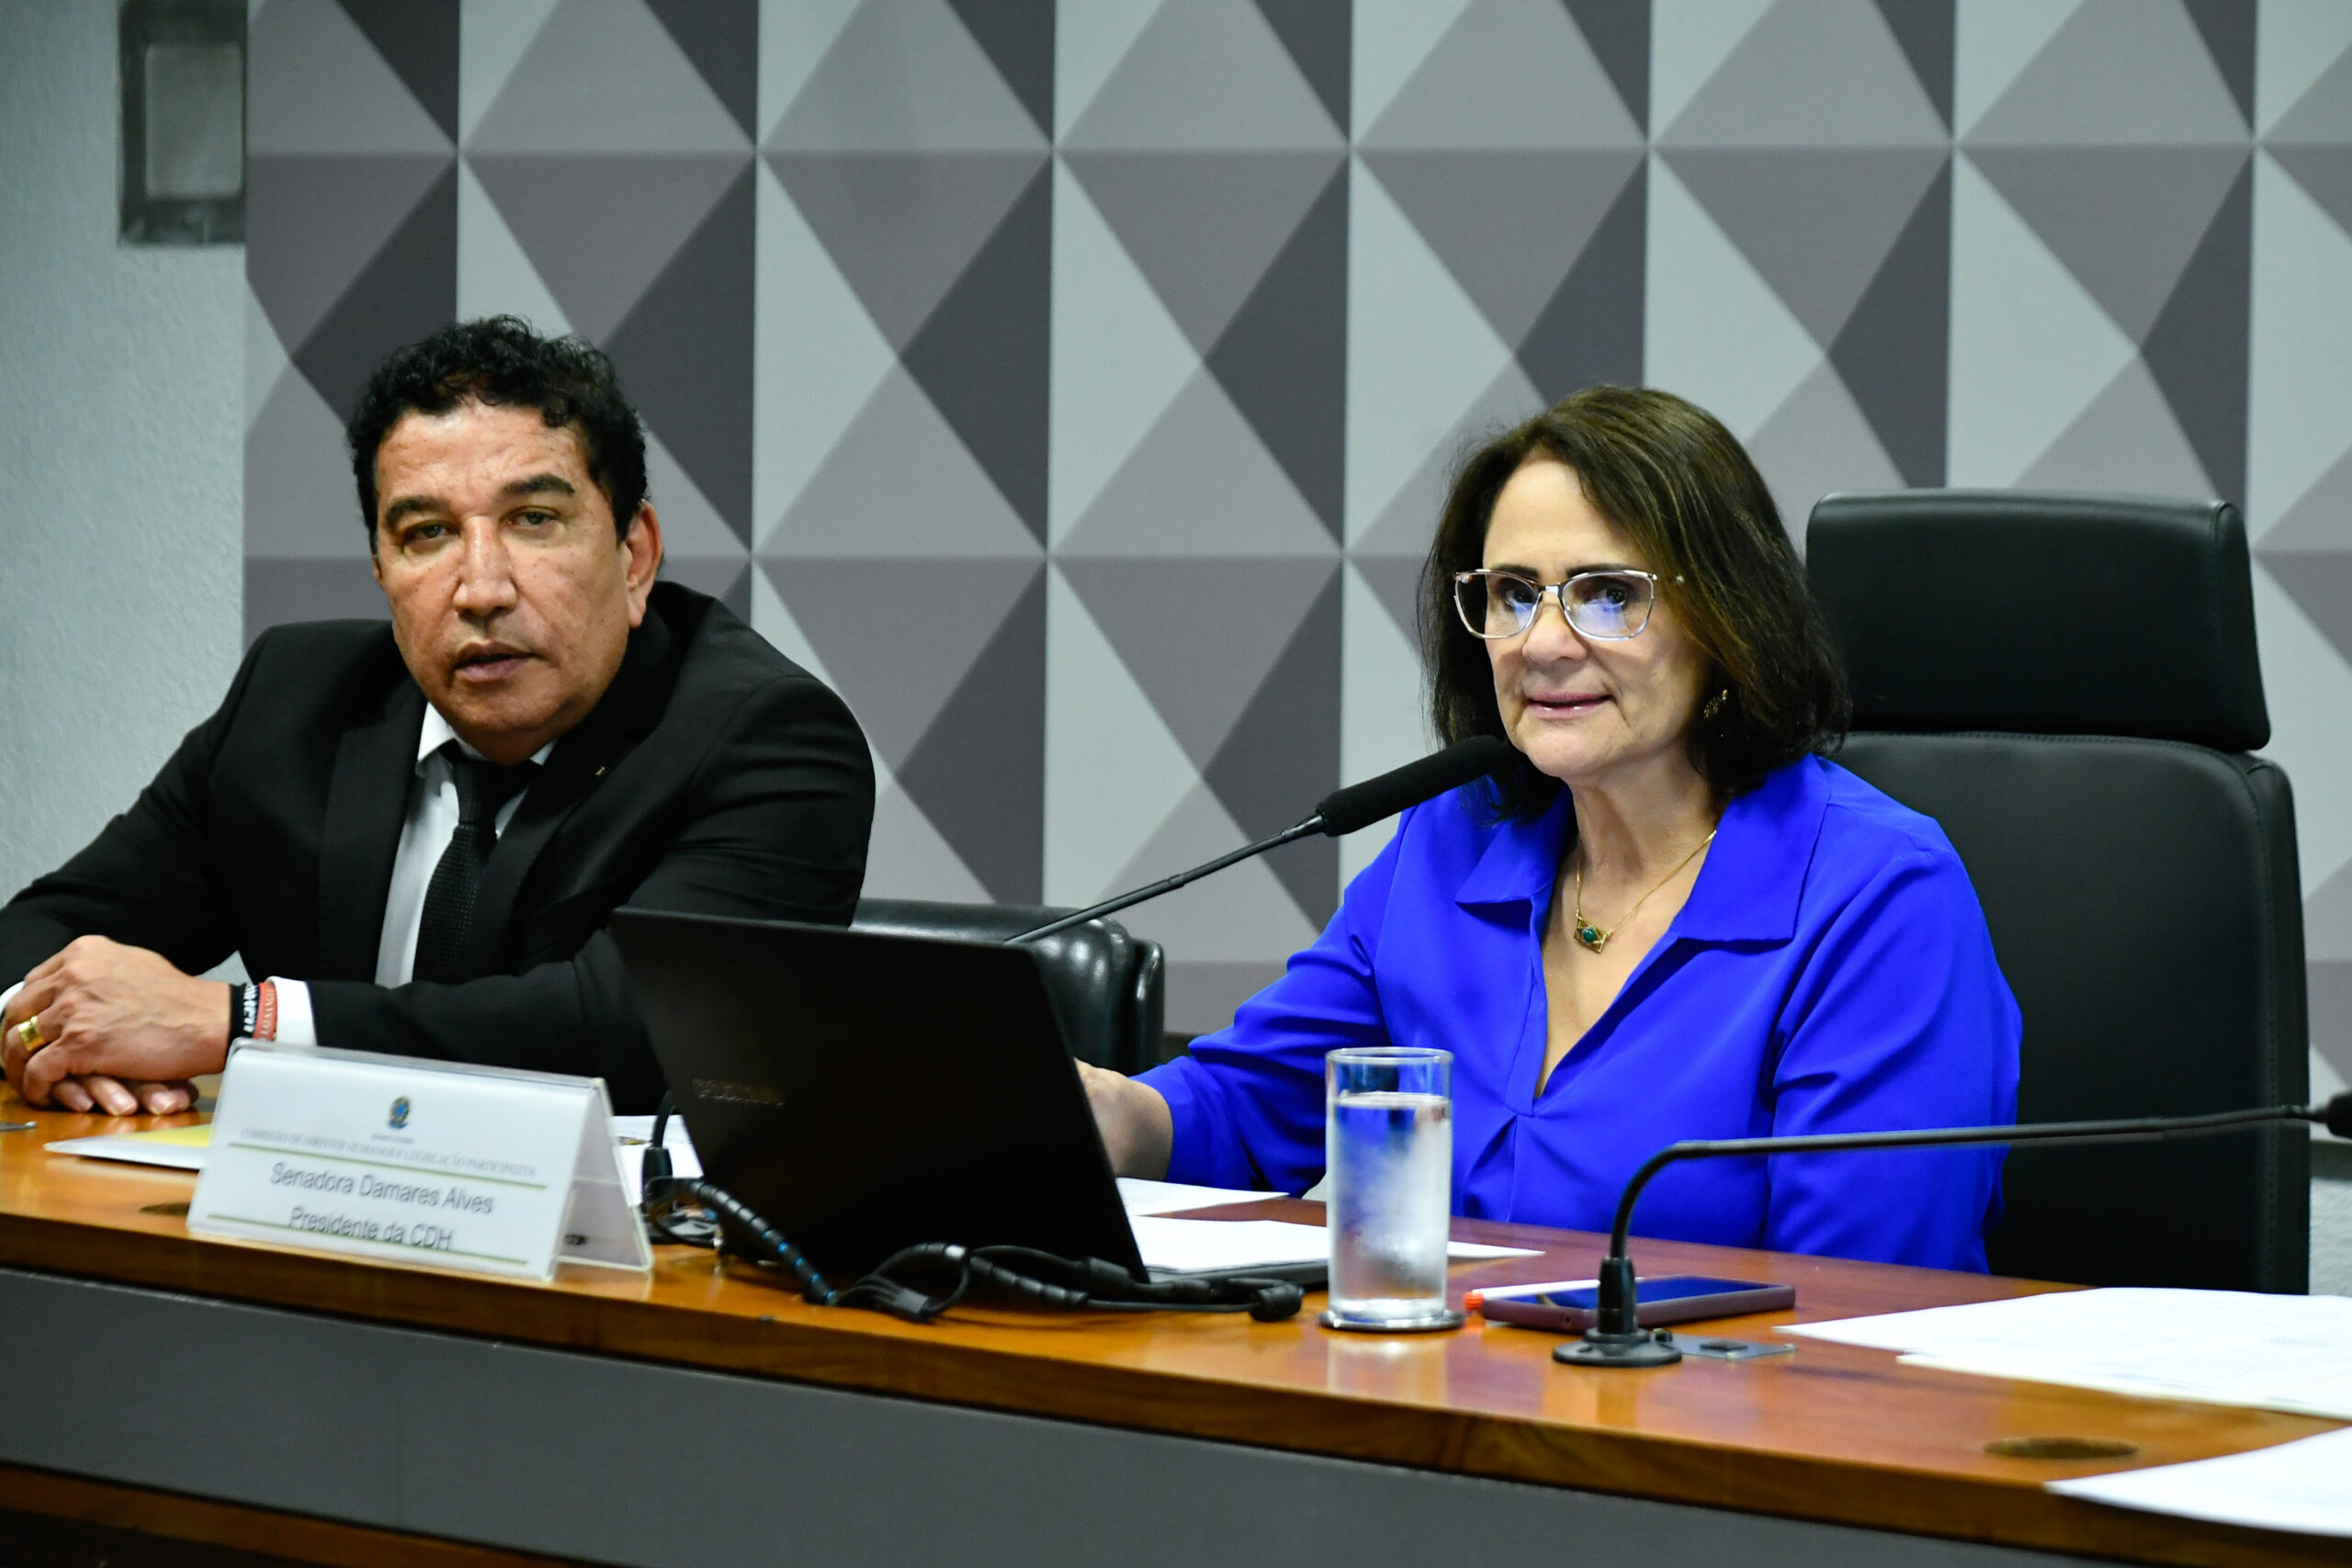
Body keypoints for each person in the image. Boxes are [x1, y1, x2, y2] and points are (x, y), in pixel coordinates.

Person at [1081, 387, 2019, 1270]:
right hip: (1440, 1381)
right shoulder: (1453, 843)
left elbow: (1855, 1300)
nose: (1542, 642)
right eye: (1513, 593)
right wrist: (1102, 1110)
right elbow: (1243, 1109)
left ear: (1724, 618)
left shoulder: (1880, 899)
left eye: (1608, 594)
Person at [0, 318, 873, 1117]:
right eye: (427, 532)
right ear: (381, 567)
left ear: (634, 554)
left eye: (535, 520)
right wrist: (59, 1034)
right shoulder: (291, 701)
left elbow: (632, 1029)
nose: (481, 589)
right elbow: (38, 935)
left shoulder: (767, 739)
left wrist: (242, 1021)